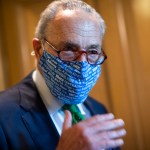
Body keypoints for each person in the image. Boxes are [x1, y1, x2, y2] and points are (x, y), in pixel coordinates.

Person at [0, 0, 126, 150]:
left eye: (92, 52)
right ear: (39, 50)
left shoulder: (99, 110)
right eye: (69, 49)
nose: (82, 65)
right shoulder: (3, 114)